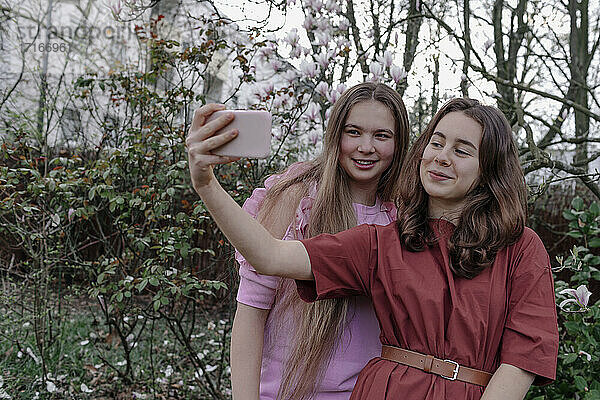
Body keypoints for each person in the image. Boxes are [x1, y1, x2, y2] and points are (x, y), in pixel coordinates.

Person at [186, 97, 559, 400]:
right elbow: (268, 255)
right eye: (437, 143)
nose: (442, 156)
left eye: (462, 150)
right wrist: (205, 183)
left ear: (488, 169)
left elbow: (524, 356)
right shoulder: (385, 240)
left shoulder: (521, 248)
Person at [230, 83, 409, 400]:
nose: (366, 147)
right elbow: (251, 311)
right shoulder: (296, 197)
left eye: (382, 135)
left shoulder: (404, 216)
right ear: (336, 134)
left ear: (399, 143)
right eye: (353, 132)